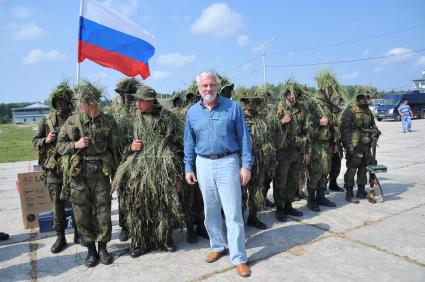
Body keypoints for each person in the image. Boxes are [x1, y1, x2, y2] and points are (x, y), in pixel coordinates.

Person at [184, 71, 252, 277]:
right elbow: (189, 142)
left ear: (217, 86)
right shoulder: (192, 113)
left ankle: (239, 257)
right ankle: (218, 246)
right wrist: (188, 167)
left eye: (212, 85)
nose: (208, 89)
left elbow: (244, 139)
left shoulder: (233, 107)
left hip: (228, 162)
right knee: (211, 211)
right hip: (203, 164)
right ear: (198, 88)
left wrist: (246, 165)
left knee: (233, 213)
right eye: (204, 86)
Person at [113, 84, 183, 258]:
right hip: (138, 170)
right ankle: (139, 243)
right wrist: (130, 147)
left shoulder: (167, 119)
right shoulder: (130, 120)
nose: (137, 104)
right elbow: (118, 147)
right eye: (136, 100)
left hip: (162, 168)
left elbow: (177, 146)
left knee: (162, 205)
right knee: (138, 207)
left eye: (141, 100)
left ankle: (164, 239)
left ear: (151, 101)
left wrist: (176, 174)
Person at [57, 81, 119, 267]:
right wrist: (75, 145)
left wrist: (115, 176)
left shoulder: (108, 121)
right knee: (81, 212)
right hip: (79, 173)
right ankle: (90, 250)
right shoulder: (72, 122)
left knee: (103, 211)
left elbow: (115, 151)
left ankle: (103, 248)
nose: (79, 105)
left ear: (91, 102)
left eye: (82, 101)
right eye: (79, 102)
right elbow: (60, 146)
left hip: (101, 173)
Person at [32, 81, 77, 253]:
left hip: (74, 167)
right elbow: (34, 141)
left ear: (68, 102)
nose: (59, 105)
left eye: (62, 101)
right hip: (53, 169)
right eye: (56, 102)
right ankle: (60, 237)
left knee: (76, 203)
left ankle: (79, 233)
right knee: (57, 205)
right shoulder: (47, 120)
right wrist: (46, 140)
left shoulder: (76, 119)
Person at [240, 93, 278, 229]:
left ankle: (253, 217)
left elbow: (270, 142)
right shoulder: (238, 119)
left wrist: (272, 164)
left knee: (256, 191)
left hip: (260, 163)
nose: (250, 104)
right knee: (241, 194)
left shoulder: (262, 120)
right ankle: (239, 223)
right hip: (243, 164)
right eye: (247, 101)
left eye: (254, 102)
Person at [274, 79, 310, 221]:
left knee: (293, 180)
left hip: (297, 152)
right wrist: (281, 122)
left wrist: (306, 152)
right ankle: (280, 208)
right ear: (286, 94)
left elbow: (306, 132)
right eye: (291, 94)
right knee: (280, 181)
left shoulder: (301, 111)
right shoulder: (278, 109)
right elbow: (270, 129)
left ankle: (288, 205)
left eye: (296, 94)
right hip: (282, 152)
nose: (293, 97)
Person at [111, 77, 141, 242]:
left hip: (140, 160)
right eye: (122, 95)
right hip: (121, 160)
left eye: (129, 94)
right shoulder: (116, 113)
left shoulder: (142, 111)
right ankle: (125, 226)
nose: (126, 98)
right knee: (123, 195)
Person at [306, 70, 339, 212]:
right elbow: (306, 122)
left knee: (325, 171)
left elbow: (332, 124)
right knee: (315, 172)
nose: (331, 92)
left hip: (327, 144)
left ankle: (321, 196)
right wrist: (318, 121)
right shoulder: (312, 102)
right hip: (315, 144)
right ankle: (311, 199)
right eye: (330, 90)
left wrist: (334, 143)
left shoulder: (328, 104)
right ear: (324, 89)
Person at [341, 91, 379, 202]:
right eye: (360, 98)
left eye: (365, 98)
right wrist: (348, 145)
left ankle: (361, 191)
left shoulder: (368, 112)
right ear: (357, 98)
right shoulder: (350, 110)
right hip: (354, 144)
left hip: (366, 145)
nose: (363, 100)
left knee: (364, 168)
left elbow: (373, 124)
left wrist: (375, 130)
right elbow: (344, 129)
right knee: (352, 168)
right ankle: (349, 192)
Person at [327, 91, 345, 192]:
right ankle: (323, 186)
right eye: (337, 102)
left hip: (338, 142)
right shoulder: (328, 113)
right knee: (327, 165)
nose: (339, 104)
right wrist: (334, 143)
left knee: (337, 165)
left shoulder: (340, 114)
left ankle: (333, 183)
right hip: (329, 143)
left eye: (340, 102)